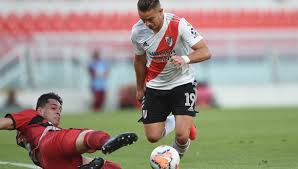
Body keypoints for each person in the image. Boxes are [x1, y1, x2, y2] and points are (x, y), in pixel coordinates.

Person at [131, 0, 211, 157]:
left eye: (150, 19)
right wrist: (140, 88)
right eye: (143, 19)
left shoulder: (179, 24)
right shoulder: (137, 32)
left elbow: (205, 51)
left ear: (161, 12)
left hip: (183, 83)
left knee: (182, 136)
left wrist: (185, 59)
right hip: (155, 86)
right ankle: (177, 120)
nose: (147, 23)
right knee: (153, 137)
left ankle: (173, 160)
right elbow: (139, 60)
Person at [0, 92, 138, 169]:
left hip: (50, 163)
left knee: (112, 167)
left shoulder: (35, 130)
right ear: (39, 110)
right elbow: (3, 123)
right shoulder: (32, 115)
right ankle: (106, 141)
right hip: (48, 143)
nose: (58, 112)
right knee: (83, 134)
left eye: (60, 110)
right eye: (53, 108)